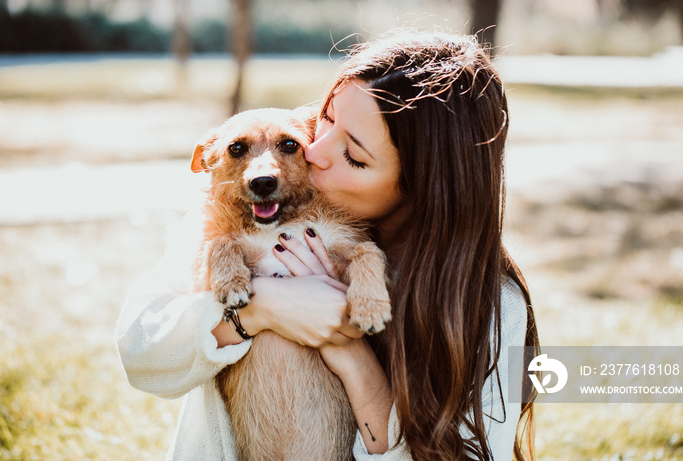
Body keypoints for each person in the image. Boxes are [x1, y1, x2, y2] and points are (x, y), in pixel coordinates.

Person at [116, 29, 539, 461]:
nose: (314, 152)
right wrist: (258, 310)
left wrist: (350, 352)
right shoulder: (230, 220)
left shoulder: (494, 307)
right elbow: (139, 351)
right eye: (326, 120)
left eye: (353, 155)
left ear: (423, 186)